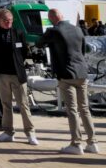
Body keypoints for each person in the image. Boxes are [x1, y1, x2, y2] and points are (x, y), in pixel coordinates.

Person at [41, 9, 99, 154]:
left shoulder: (53, 31)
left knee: (72, 110)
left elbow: (39, 43)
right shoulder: (78, 30)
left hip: (65, 74)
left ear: (52, 18)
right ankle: (92, 143)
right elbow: (84, 49)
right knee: (84, 108)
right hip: (81, 72)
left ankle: (76, 144)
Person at [0, 7, 37, 145]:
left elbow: (24, 51)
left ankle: (30, 133)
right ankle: (8, 132)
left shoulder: (18, 32)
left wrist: (20, 62)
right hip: (1, 74)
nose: (9, 23)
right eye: (6, 20)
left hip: (18, 74)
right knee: (6, 104)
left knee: (24, 104)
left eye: (11, 20)